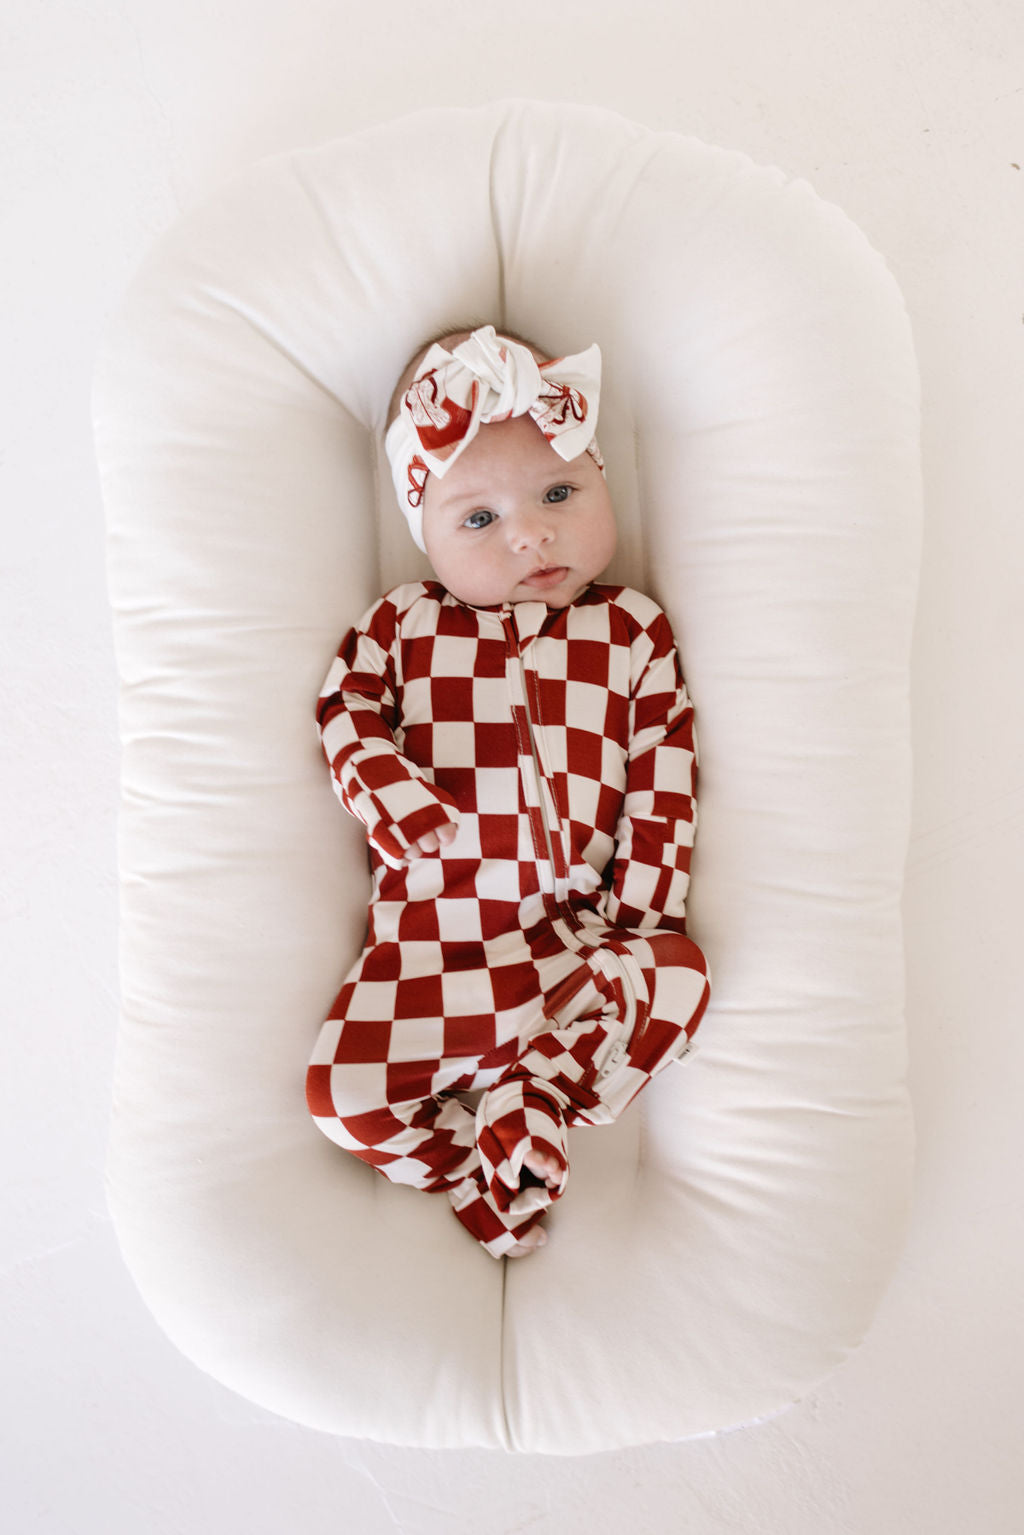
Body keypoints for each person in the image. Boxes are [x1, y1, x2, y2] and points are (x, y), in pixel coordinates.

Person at [306, 324, 710, 1258]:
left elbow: (664, 771)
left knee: (681, 976)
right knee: (342, 1099)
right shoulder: (405, 623)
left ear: (603, 483)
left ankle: (540, 1101)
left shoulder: (630, 631)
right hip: (429, 942)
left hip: (571, 941)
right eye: (477, 519)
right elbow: (345, 704)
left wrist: (642, 918)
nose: (531, 531)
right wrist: (388, 792)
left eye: (561, 493)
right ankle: (483, 1162)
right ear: (427, 537)